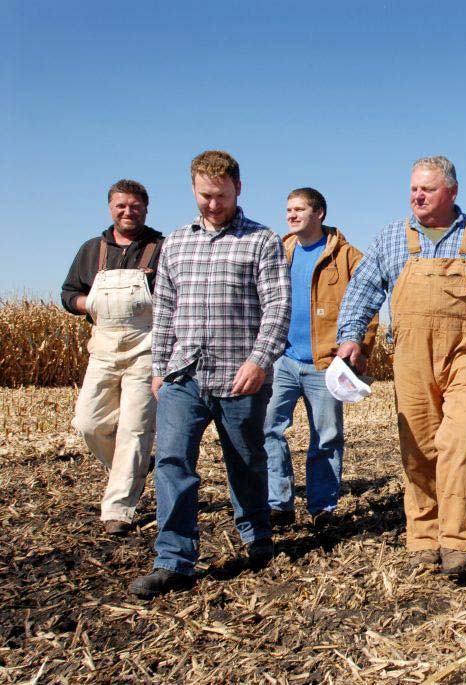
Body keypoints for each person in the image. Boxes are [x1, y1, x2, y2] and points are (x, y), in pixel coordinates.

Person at [335, 155, 466, 574]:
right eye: (413, 188)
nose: (417, 195)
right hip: (411, 357)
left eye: (427, 188)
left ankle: (458, 540)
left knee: (463, 442)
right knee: (419, 448)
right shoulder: (393, 237)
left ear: (452, 191)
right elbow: (363, 289)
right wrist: (350, 337)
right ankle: (424, 536)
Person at [130, 150, 291, 599]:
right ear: (193, 190)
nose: (212, 205)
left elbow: (277, 306)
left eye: (220, 196)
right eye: (204, 196)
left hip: (240, 375)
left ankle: (257, 533)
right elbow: (164, 310)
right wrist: (159, 369)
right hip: (184, 374)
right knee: (173, 462)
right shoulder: (177, 243)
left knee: (245, 459)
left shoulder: (262, 241)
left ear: (238, 189)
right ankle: (174, 560)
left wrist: (259, 361)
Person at [263, 188, 377, 531]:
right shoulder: (279, 251)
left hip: (325, 363)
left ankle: (322, 508)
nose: (291, 215)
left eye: (299, 209)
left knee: (325, 437)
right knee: (268, 429)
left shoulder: (348, 257)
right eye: (288, 209)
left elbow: (369, 306)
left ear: (320, 214)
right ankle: (278, 503)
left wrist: (360, 349)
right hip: (282, 358)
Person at [61, 180, 163, 537]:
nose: (128, 211)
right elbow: (68, 292)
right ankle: (133, 466)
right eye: (121, 205)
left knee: (135, 428)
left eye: (135, 206)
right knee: (88, 422)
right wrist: (85, 303)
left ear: (145, 209)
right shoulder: (92, 250)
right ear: (110, 208)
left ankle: (118, 509)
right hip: (103, 347)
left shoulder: (160, 248)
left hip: (145, 347)